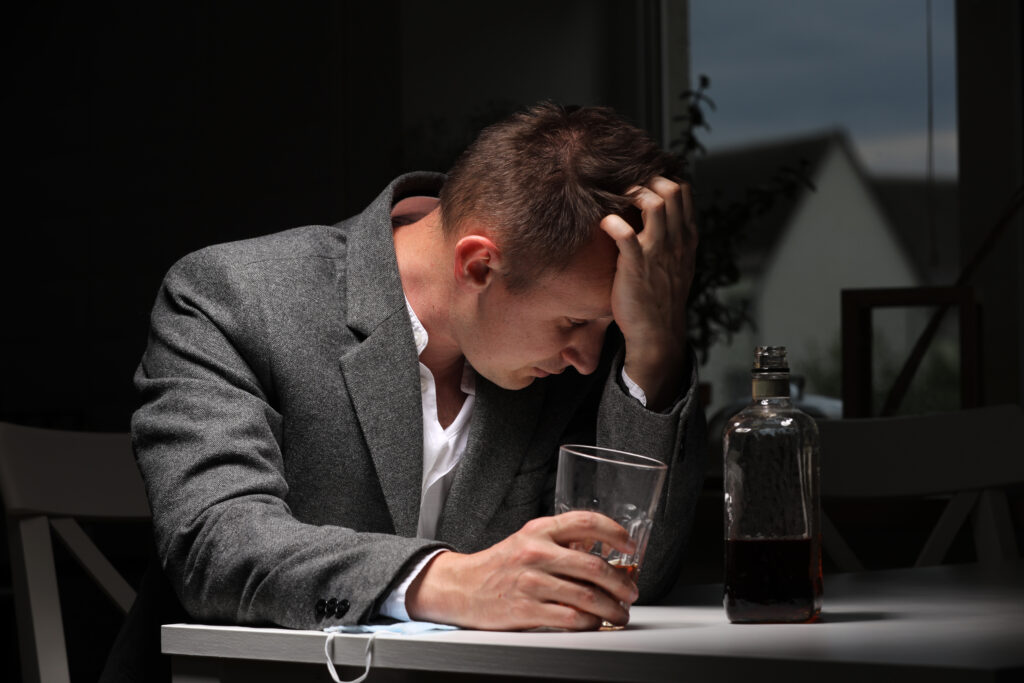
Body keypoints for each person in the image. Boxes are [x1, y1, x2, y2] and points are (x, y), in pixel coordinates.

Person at [126, 102, 706, 641]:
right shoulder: (234, 298)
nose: (587, 356)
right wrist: (450, 583)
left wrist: (654, 345)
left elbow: (627, 583)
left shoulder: (578, 362)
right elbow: (215, 548)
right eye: (574, 322)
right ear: (478, 265)